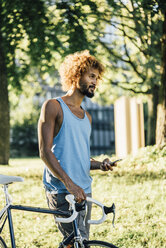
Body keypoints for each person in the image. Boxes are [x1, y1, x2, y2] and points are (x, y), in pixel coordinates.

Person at [38, 50, 117, 245]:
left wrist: (100, 165)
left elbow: (79, 157)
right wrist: (69, 184)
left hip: (84, 190)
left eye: (97, 78)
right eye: (91, 76)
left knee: (82, 241)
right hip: (62, 190)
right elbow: (45, 152)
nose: (95, 82)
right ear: (76, 75)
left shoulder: (87, 117)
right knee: (76, 243)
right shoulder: (53, 106)